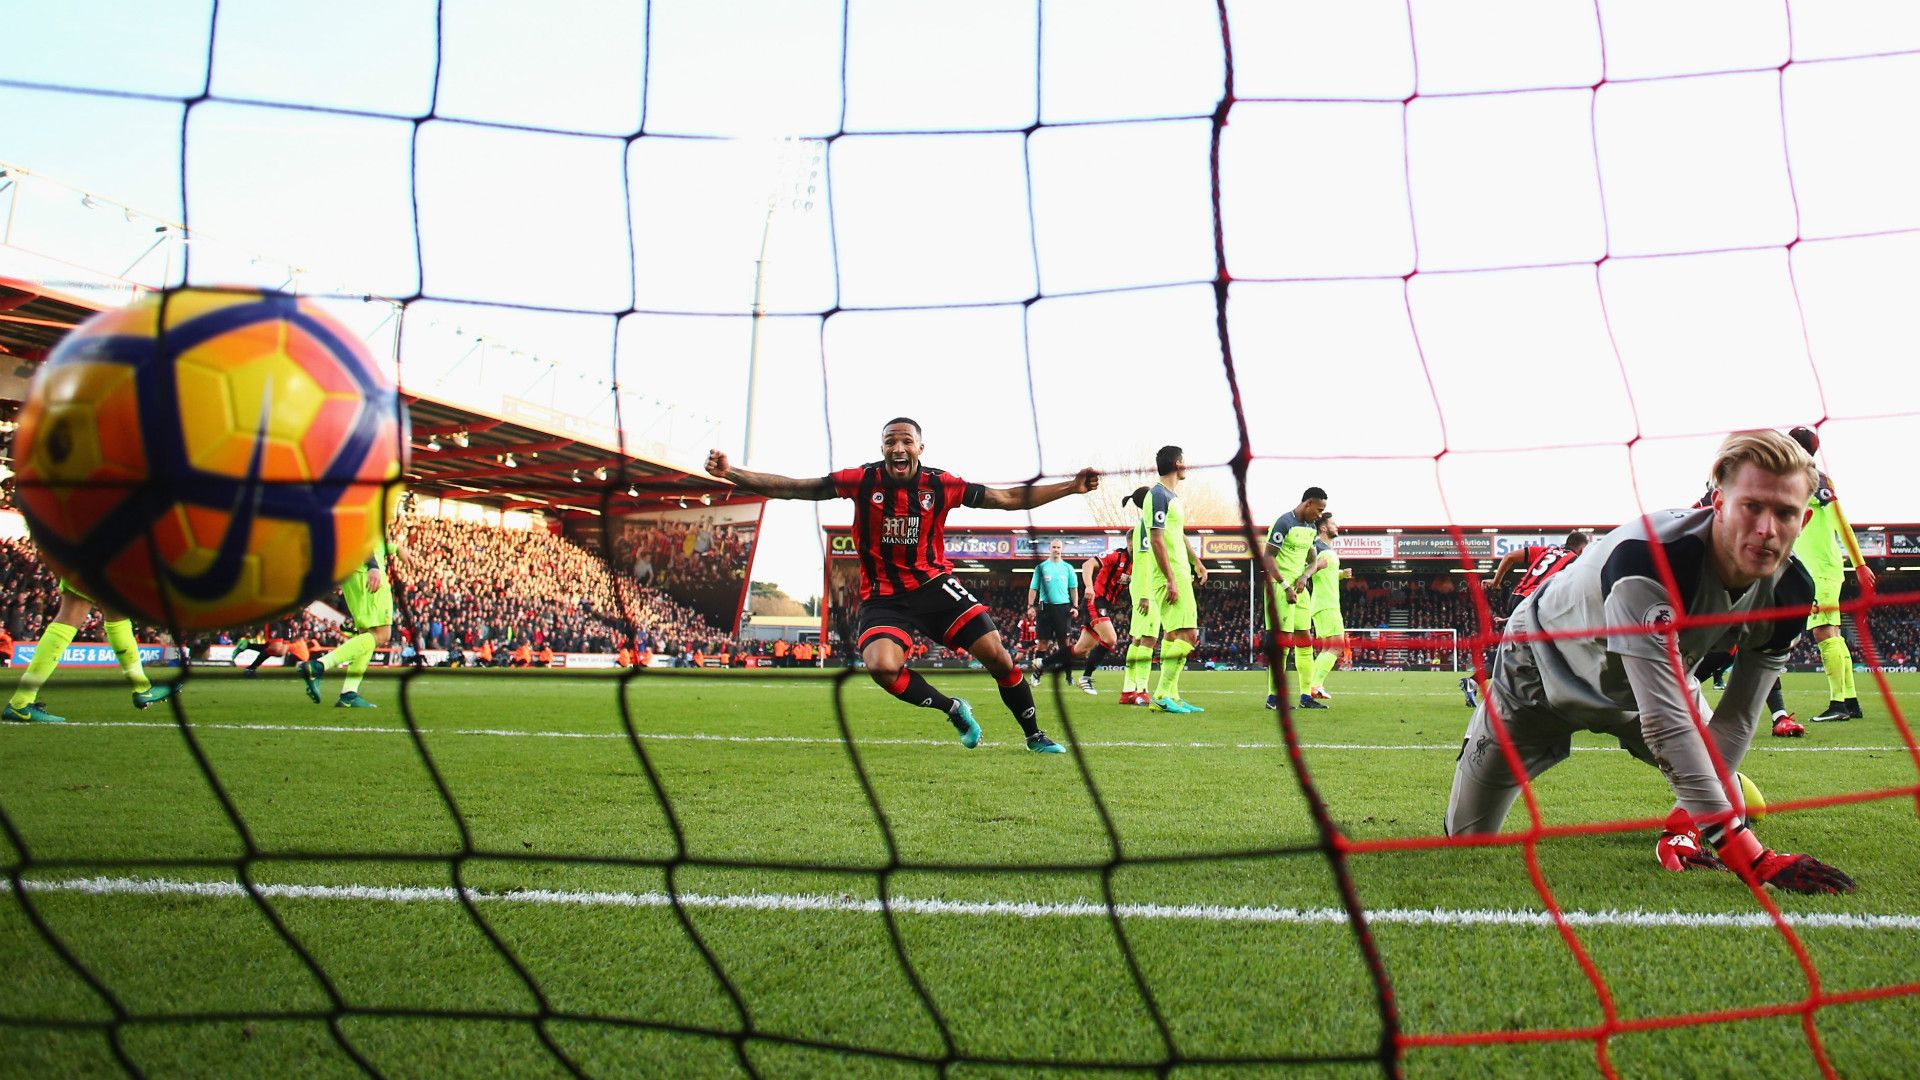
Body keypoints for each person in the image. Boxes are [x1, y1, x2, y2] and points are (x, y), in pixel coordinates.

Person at [1445, 430, 1855, 894]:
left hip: (1653, 684)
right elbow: (1665, 723)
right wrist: (1748, 856)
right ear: (1717, 503)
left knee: (1729, 808)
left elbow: (1738, 719)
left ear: (1803, 521)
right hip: (1539, 672)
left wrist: (1686, 824)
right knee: (1467, 839)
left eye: (1784, 513)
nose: (1767, 529)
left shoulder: (1791, 593)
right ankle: (1488, 725)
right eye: (1752, 507)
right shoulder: (1652, 558)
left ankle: (1705, 811)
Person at [706, 417, 1098, 753]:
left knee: (997, 655)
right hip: (884, 597)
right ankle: (953, 710)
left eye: (906, 440)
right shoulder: (863, 480)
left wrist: (1071, 487)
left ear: (920, 447)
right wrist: (732, 473)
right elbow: (795, 487)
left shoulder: (941, 485)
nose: (898, 446)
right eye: (890, 441)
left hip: (934, 586)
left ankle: (1034, 736)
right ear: (882, 448)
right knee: (881, 666)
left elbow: (1009, 497)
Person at [1787, 426, 1876, 723]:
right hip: (1821, 568)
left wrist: (1860, 564)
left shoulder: (1815, 480)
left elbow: (1841, 521)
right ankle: (1849, 701)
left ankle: (1837, 704)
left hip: (1822, 569)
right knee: (1833, 633)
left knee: (1824, 631)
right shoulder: (1799, 479)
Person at [3, 578, 177, 724]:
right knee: (100, 614)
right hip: (102, 553)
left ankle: (21, 701)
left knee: (83, 612)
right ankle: (141, 688)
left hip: (82, 549)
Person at [1468, 531, 1590, 708]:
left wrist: (1496, 581)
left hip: (1517, 597)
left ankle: (1526, 691)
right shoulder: (1575, 561)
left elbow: (1509, 556)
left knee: (1523, 649)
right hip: (1534, 603)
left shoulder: (1547, 550)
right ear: (1581, 548)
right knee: (1532, 650)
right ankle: (1477, 683)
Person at [295, 519, 398, 709]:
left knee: (368, 635)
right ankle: (318, 666)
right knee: (382, 634)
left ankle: (349, 694)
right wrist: (373, 565)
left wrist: (397, 549)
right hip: (366, 569)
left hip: (355, 570)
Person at [1139, 446, 1207, 714]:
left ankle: (1173, 695)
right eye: (1185, 461)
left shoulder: (1171, 496)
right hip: (1169, 574)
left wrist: (1196, 561)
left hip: (1180, 570)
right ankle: (1162, 693)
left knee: (1173, 634)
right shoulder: (1157, 495)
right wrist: (1170, 579)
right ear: (1178, 463)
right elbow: (1156, 539)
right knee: (1189, 636)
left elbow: (1177, 535)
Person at [1259, 486, 1329, 710]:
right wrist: (1285, 585)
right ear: (1308, 503)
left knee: (1304, 640)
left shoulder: (1310, 527)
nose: (1319, 515)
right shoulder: (1283, 523)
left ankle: (1306, 697)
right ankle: (1273, 697)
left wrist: (1306, 576)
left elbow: (1313, 558)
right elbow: (1268, 557)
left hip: (1299, 589)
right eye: (1318, 510)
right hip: (1280, 587)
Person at [1300, 513, 1353, 703]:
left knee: (1327, 648)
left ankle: (1311, 687)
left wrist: (1341, 574)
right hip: (1327, 604)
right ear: (1323, 528)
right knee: (1337, 645)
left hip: (1322, 604)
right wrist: (1313, 567)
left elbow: (1323, 572)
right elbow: (1310, 568)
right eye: (1333, 524)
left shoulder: (1324, 549)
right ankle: (1315, 685)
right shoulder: (1319, 548)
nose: (1336, 526)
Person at [1072, 538, 1132, 697]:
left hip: (1106, 606)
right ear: (1129, 542)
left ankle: (1042, 664)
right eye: (1135, 543)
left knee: (1080, 650)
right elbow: (1087, 564)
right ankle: (1085, 677)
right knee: (1111, 638)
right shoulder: (1116, 555)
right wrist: (1089, 587)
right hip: (1096, 601)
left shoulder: (1137, 565)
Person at [1119, 486, 1157, 706]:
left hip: (1144, 588)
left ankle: (1127, 690)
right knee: (1148, 640)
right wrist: (1144, 593)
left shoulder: (1144, 525)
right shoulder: (1146, 525)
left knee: (1137, 640)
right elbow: (1142, 563)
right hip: (1147, 589)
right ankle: (1141, 690)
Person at [1028, 539, 1080, 678]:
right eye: (1054, 547)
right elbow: (1033, 588)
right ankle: (1036, 675)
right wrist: (1030, 606)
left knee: (1064, 643)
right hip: (1044, 606)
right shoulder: (1041, 567)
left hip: (1063, 607)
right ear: (1049, 549)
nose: (1056, 549)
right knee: (1042, 642)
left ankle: (1068, 675)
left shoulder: (1068, 568)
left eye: (1058, 547)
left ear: (1061, 549)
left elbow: (1073, 589)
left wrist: (1075, 606)